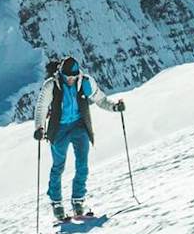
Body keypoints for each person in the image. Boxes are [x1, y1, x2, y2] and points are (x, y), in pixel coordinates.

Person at [33, 56, 125, 221]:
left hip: (79, 126)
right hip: (59, 129)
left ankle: (78, 200)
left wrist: (114, 107)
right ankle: (56, 202)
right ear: (61, 72)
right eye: (67, 76)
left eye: (73, 76)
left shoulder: (85, 82)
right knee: (58, 167)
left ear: (77, 74)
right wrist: (39, 127)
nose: (70, 80)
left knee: (82, 165)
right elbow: (41, 107)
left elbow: (101, 99)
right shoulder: (52, 85)